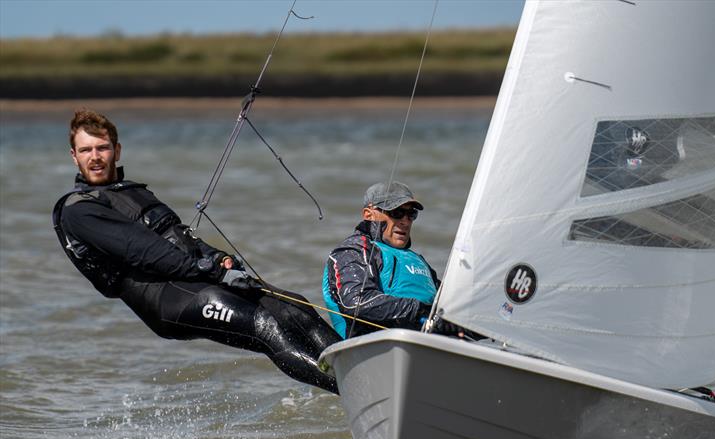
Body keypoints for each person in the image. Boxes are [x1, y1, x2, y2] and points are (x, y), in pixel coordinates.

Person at [53, 109, 339, 393]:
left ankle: (360, 369)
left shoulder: (133, 193)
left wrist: (218, 258)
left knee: (294, 307)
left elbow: (180, 237)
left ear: (116, 150)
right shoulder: (79, 210)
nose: (95, 157)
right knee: (265, 326)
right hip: (165, 299)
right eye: (86, 150)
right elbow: (146, 253)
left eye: (102, 148)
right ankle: (351, 390)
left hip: (195, 278)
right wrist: (213, 272)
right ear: (74, 156)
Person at [322, 182, 440, 338]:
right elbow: (357, 302)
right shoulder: (353, 250)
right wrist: (421, 312)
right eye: (396, 212)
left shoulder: (419, 261)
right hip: (371, 345)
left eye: (411, 214)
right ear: (369, 214)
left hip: (428, 344)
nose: (405, 221)